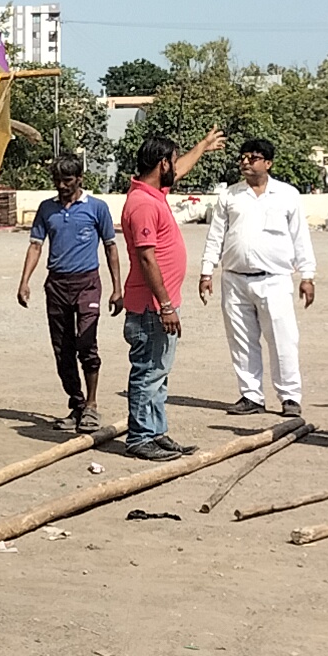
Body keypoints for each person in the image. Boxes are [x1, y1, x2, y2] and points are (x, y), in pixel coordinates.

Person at [120, 127, 226, 461]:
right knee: (148, 372)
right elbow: (147, 257)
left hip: (160, 306)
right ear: (162, 163)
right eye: (173, 161)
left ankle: (156, 431)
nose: (177, 168)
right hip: (151, 307)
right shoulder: (141, 204)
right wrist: (165, 305)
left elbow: (181, 169)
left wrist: (203, 145)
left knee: (159, 374)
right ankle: (139, 437)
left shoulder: (154, 193)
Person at [198, 138, 316, 417]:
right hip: (235, 278)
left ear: (268, 163)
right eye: (243, 157)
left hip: (274, 278)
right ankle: (251, 395)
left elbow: (301, 237)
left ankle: (289, 397)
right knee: (241, 339)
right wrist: (206, 271)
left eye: (253, 157)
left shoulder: (287, 195)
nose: (245, 162)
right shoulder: (230, 195)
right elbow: (216, 235)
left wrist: (307, 275)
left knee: (282, 339)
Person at [16, 151, 123, 433]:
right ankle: (76, 405)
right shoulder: (46, 209)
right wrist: (24, 281)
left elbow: (111, 247)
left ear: (80, 179)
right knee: (62, 350)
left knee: (86, 344)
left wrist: (117, 288)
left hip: (87, 283)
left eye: (68, 180)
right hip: (57, 285)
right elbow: (36, 245)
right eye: (58, 180)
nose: (62, 186)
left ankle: (92, 405)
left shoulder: (96, 207)